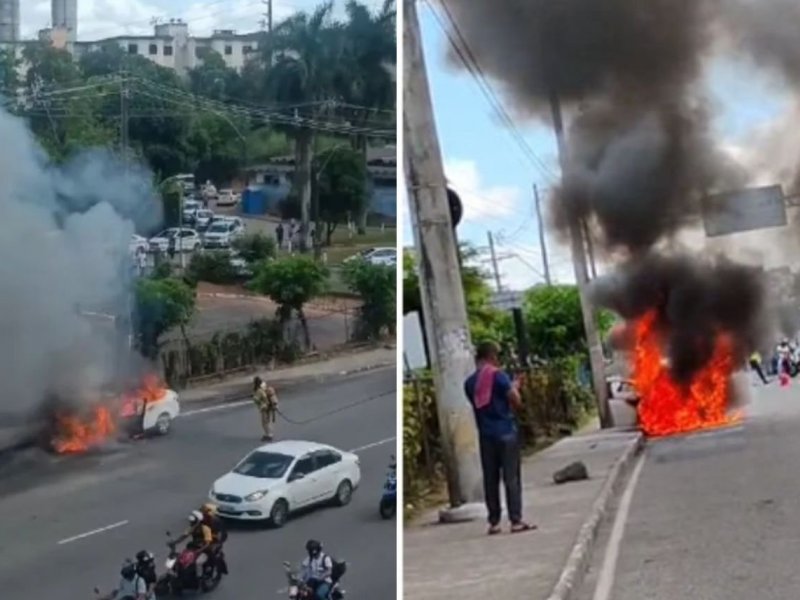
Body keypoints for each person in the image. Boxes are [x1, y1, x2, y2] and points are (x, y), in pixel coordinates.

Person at [464, 341, 535, 535]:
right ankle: (516, 521)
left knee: (491, 479)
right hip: (505, 432)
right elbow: (515, 400)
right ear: (492, 356)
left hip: (486, 435)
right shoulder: (499, 376)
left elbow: (480, 405)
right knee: (511, 478)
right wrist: (515, 386)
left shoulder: (470, 383)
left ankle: (494, 522)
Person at [173, 511, 213, 579]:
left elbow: (207, 543)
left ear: (198, 521)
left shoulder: (205, 529)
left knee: (198, 563)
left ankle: (200, 579)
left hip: (204, 550)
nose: (191, 523)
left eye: (193, 521)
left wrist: (200, 550)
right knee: (181, 559)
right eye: (191, 522)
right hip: (194, 548)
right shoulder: (192, 528)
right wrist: (174, 542)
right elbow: (184, 536)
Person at [199, 503, 228, 574]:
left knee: (210, 552)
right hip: (204, 539)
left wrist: (218, 543)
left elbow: (222, 534)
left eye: (204, 511)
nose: (202, 513)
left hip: (214, 541)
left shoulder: (216, 521)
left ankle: (211, 567)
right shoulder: (202, 520)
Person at [252, 376, 278, 441]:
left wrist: (255, 398)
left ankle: (269, 434)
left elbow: (257, 399)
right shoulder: (263, 387)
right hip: (268, 407)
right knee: (267, 421)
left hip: (264, 407)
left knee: (264, 422)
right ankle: (269, 433)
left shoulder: (259, 391)